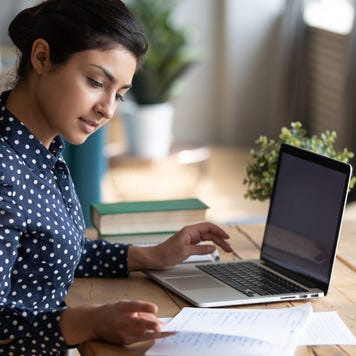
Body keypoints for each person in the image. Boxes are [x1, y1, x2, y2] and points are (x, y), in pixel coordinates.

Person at [0, 0, 233, 354]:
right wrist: (88, 321)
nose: (108, 109)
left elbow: (43, 254)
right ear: (42, 57)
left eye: (119, 96)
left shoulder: (39, 151)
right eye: (96, 82)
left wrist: (150, 256)